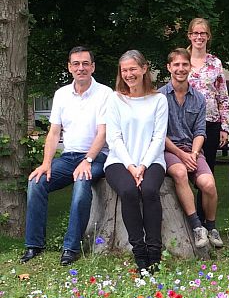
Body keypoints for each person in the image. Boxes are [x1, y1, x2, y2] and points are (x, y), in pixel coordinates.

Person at [20, 46, 112, 265]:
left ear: (93, 67)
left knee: (82, 183)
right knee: (37, 181)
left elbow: (103, 133)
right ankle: (34, 245)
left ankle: (71, 248)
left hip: (97, 157)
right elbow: (53, 133)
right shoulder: (61, 94)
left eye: (85, 63)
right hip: (68, 157)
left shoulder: (105, 94)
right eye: (76, 64)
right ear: (70, 67)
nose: (81, 68)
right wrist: (46, 163)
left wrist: (88, 160)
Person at [104, 50, 168, 272]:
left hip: (152, 161)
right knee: (129, 192)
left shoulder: (158, 100)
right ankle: (139, 251)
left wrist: (142, 166)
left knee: (149, 191)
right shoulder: (115, 99)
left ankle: (154, 251)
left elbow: (159, 137)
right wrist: (131, 166)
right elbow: (113, 138)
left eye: (133, 69)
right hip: (119, 161)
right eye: (124, 70)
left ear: (144, 69)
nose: (129, 74)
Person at [158, 48, 223, 248]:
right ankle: (196, 227)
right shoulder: (159, 97)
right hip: (169, 150)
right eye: (176, 65)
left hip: (193, 150)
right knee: (179, 172)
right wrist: (181, 155)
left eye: (184, 64)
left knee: (209, 185)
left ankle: (211, 227)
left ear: (190, 67)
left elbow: (200, 131)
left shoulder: (199, 98)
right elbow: (159, 134)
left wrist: (193, 154)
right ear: (169, 67)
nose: (180, 68)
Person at [186, 18, 229, 222]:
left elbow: (223, 95)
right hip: (185, 125)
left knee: (207, 174)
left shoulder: (215, 63)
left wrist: (225, 126)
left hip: (211, 123)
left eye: (203, 33)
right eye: (195, 33)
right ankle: (187, 219)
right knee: (186, 171)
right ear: (189, 35)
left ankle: (204, 221)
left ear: (208, 36)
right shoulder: (181, 60)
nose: (199, 37)